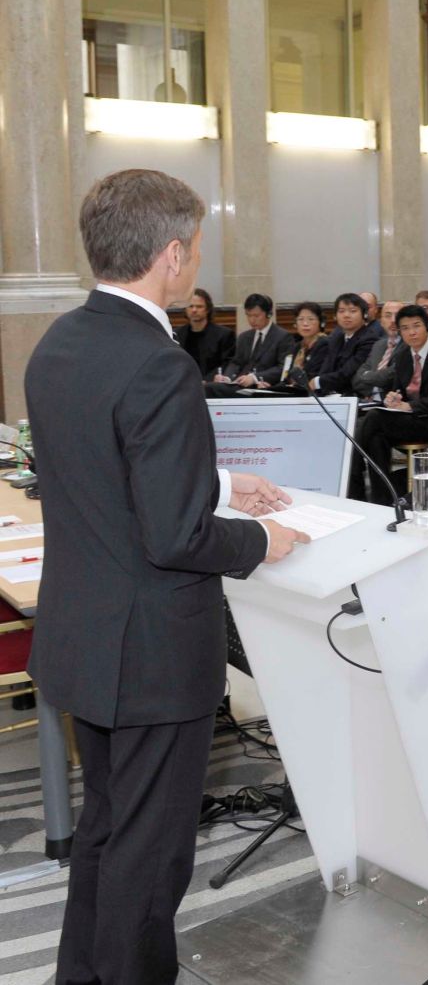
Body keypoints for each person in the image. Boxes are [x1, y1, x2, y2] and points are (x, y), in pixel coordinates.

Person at [27, 169, 307, 985]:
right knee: (150, 864)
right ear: (174, 254)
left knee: (109, 834)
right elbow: (176, 534)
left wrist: (221, 484)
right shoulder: (159, 362)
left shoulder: (62, 342)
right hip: (149, 652)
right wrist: (263, 537)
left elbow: (102, 469)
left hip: (88, 636)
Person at [351, 305, 428, 503]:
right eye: (405, 328)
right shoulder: (403, 355)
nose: (411, 332)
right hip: (410, 420)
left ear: (427, 327)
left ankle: (356, 483)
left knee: (372, 420)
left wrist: (411, 406)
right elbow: (400, 391)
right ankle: (384, 499)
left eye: (416, 326)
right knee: (375, 437)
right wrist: (394, 399)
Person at [216, 292, 295, 386]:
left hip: (264, 386)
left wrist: (255, 377)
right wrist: (227, 377)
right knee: (210, 388)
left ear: (269, 314)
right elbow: (236, 363)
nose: (252, 320)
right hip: (239, 384)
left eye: (256, 316)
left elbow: (283, 368)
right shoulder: (244, 337)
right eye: (249, 315)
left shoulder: (283, 337)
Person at [173, 286, 234, 379]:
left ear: (208, 309)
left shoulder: (224, 335)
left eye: (199, 306)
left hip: (211, 385)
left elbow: (228, 364)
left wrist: (207, 380)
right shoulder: (176, 335)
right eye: (190, 306)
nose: (194, 310)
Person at [351, 298, 407, 398]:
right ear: (381, 321)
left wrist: (367, 376)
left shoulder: (409, 345)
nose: (393, 320)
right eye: (388, 316)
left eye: (398, 316)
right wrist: (372, 390)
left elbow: (388, 377)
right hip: (371, 402)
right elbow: (356, 379)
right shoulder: (378, 345)